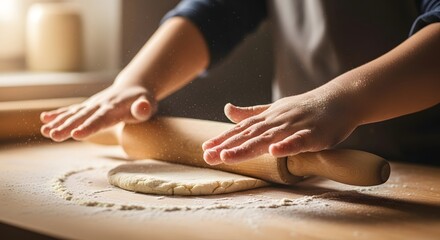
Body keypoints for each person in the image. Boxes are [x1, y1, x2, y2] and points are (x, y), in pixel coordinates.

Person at [41, 0, 440, 165]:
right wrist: (135, 80)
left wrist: (341, 100)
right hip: (291, 159)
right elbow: (213, 11)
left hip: (421, 165)